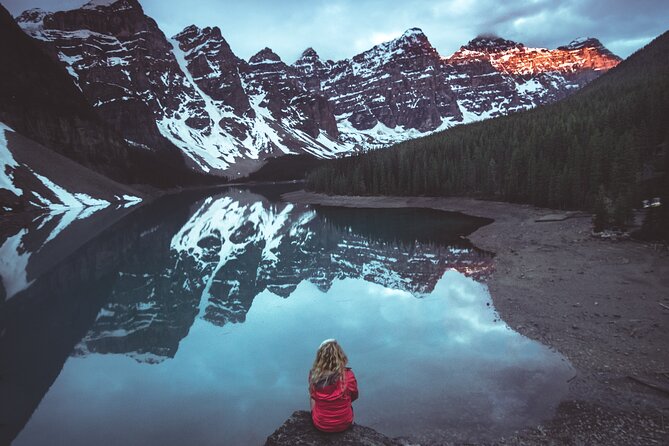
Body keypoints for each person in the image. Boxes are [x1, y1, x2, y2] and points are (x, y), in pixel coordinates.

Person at [308, 339, 359, 432]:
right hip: (344, 424)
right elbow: (354, 396)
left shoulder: (314, 375)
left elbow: (313, 396)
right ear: (340, 356)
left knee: (312, 397)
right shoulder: (348, 375)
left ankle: (320, 416)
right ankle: (341, 417)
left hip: (320, 425)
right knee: (346, 395)